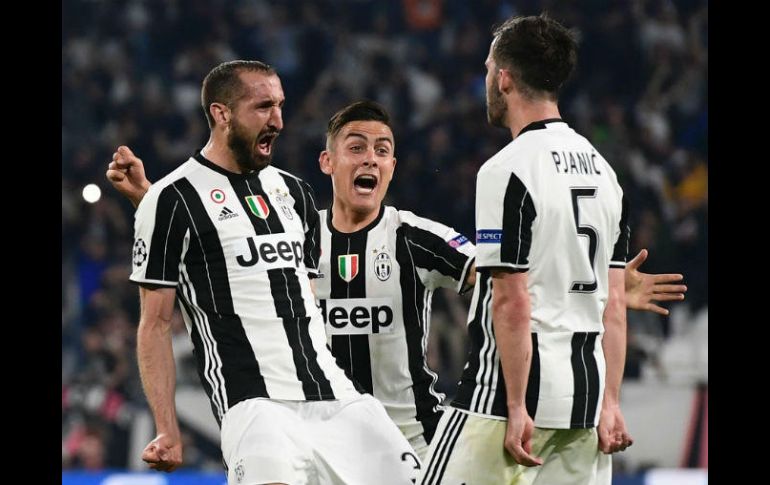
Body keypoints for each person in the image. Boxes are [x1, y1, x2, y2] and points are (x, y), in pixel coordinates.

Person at [110, 100, 685, 466]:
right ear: (327, 163)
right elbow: (219, 238)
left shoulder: (415, 237)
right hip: (309, 426)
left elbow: (503, 277)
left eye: (382, 150)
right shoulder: (294, 233)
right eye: (356, 147)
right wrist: (150, 197)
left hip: (408, 440)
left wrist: (590, 282)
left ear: (392, 168)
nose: (371, 158)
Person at [119, 60, 418, 485]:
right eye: (263, 107)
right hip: (255, 404)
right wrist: (168, 428)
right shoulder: (172, 199)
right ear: (221, 114)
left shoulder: (295, 192)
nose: (277, 120)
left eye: (279, 106)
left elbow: (307, 300)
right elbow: (156, 324)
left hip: (335, 395)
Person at [419, 14, 636, 485]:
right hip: (586, 402)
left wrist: (516, 404)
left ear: (504, 78)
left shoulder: (508, 170)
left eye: (486, 69)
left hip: (507, 400)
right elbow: (614, 305)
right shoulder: (606, 174)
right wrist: (612, 401)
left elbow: (512, 298)